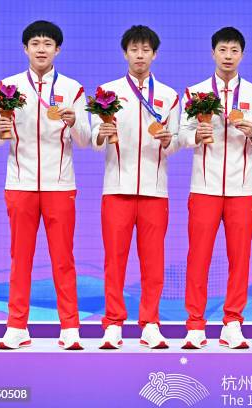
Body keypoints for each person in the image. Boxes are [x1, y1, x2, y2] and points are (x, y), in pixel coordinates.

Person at [0, 20, 91, 350]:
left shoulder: (73, 89)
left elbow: (87, 140)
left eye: (48, 43)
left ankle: (70, 327)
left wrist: (75, 123)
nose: (42, 48)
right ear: (25, 49)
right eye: (36, 43)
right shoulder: (8, 87)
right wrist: (2, 128)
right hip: (19, 183)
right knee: (21, 256)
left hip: (60, 185)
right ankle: (17, 326)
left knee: (63, 258)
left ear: (57, 49)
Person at [178, 27, 252, 349]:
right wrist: (195, 137)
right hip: (203, 188)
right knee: (198, 258)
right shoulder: (196, 92)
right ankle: (195, 325)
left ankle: (233, 321)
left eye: (234, 51)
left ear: (242, 55)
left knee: (240, 258)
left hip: (241, 190)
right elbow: (180, 135)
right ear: (213, 53)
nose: (228, 56)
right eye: (222, 50)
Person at [91, 25, 180, 349]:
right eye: (134, 49)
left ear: (154, 54)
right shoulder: (107, 93)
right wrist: (102, 131)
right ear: (125, 53)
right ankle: (113, 323)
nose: (140, 55)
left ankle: (150, 323)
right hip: (116, 188)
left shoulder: (169, 96)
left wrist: (171, 140)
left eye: (145, 50)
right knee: (115, 260)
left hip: (155, 190)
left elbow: (176, 142)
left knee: (153, 261)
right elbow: (95, 142)